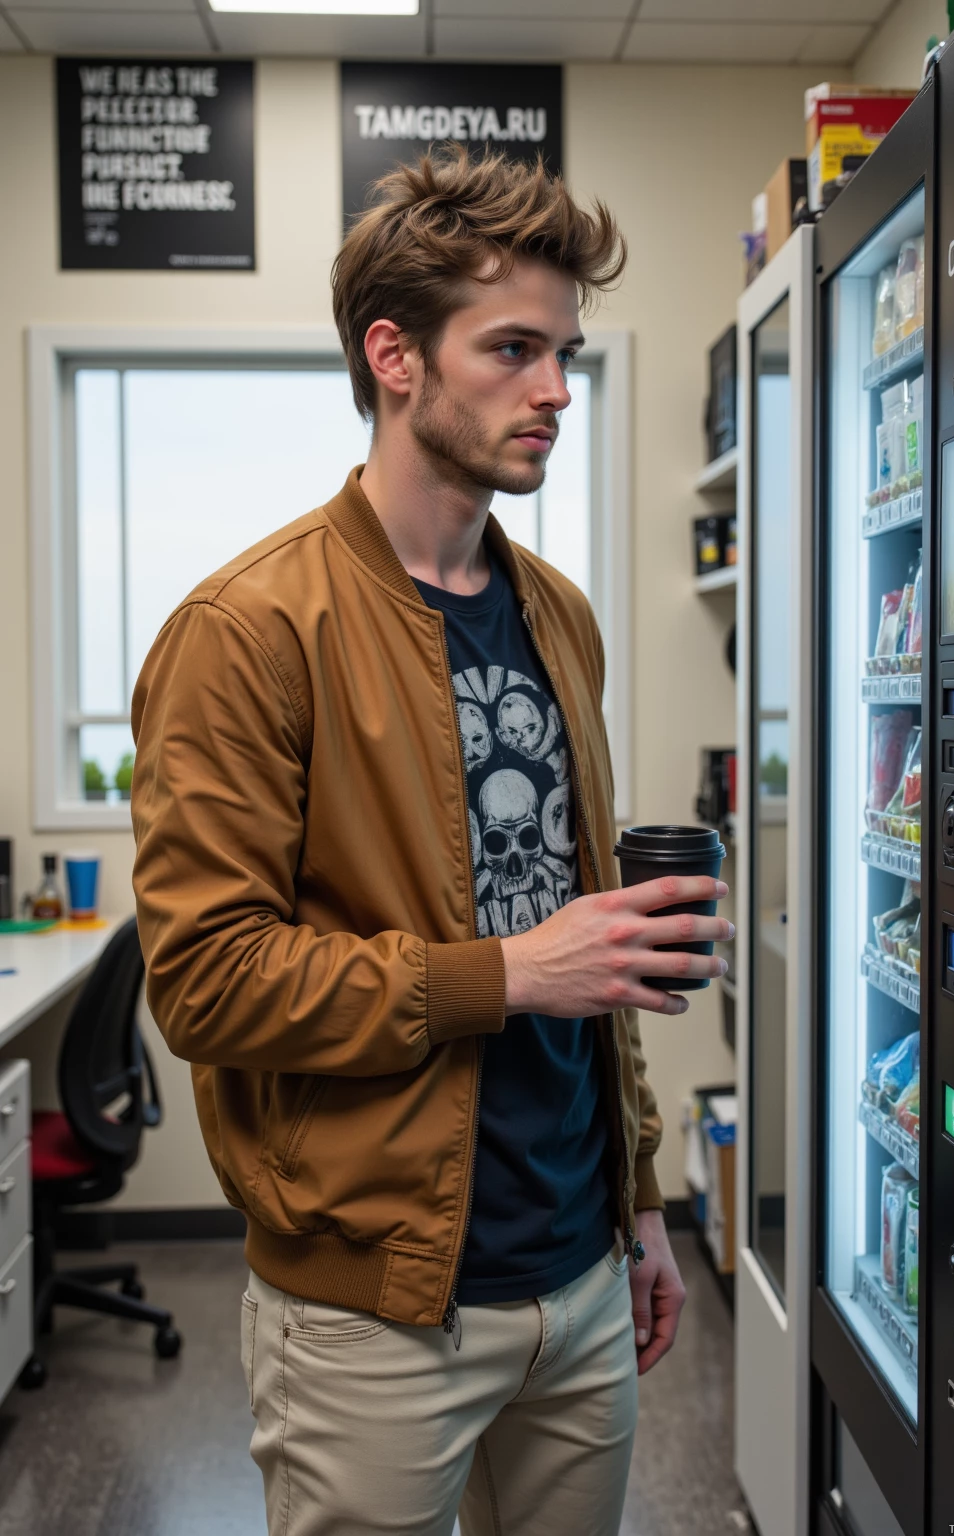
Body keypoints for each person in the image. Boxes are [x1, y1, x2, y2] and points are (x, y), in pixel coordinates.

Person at [131, 145, 732, 1536]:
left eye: (565, 352)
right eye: (513, 349)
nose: (555, 393)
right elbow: (207, 984)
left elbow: (599, 954)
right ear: (393, 355)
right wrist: (507, 973)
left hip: (581, 1279)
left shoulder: (558, 616)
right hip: (376, 1315)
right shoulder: (248, 635)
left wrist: (640, 1202)